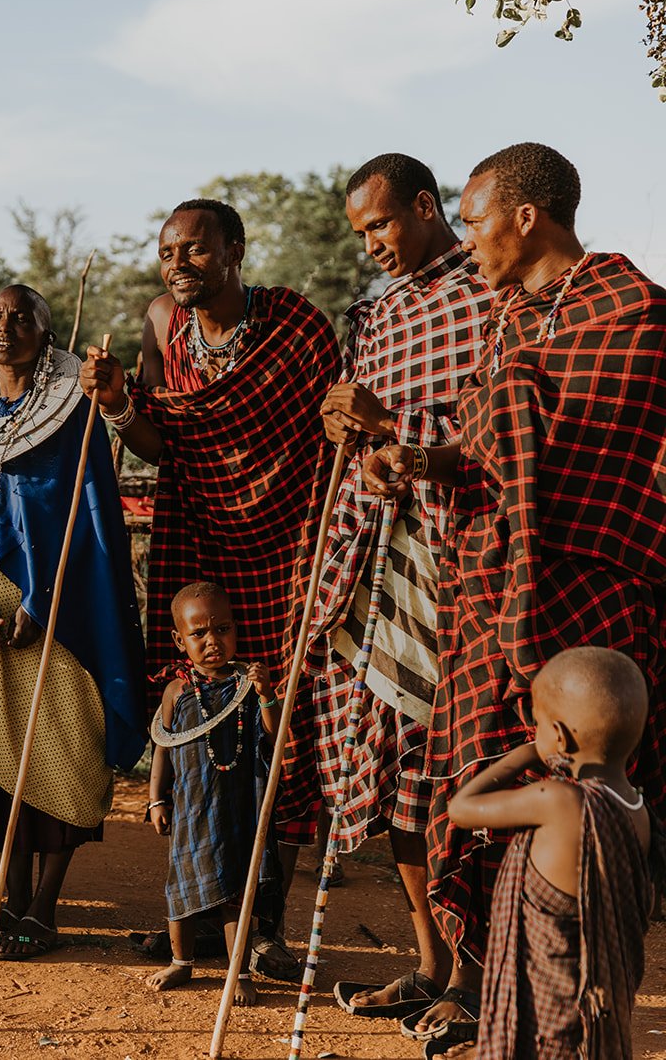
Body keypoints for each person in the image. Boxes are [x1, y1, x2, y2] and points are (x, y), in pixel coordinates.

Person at [363, 142, 666, 1047]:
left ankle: (578, 999)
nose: (468, 234)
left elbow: (622, 463)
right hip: (492, 591)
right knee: (494, 781)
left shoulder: (635, 315)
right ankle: (494, 987)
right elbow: (487, 453)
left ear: (526, 216)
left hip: (595, 588)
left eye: (473, 215)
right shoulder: (504, 323)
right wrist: (410, 456)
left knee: (591, 794)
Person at [81, 198, 340, 977]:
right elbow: (163, 444)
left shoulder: (296, 324)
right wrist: (119, 403)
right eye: (167, 253)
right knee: (201, 731)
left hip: (287, 545)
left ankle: (266, 924)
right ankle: (199, 910)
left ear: (236, 250)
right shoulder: (163, 324)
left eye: (194, 251)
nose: (178, 265)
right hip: (200, 539)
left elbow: (328, 432)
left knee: (281, 733)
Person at [267, 154, 496, 1021]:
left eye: (383, 225)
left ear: (429, 208)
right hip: (376, 557)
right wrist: (344, 423)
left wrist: (393, 425)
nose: (372, 245)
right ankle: (433, 964)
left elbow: (496, 429)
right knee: (402, 761)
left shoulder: (489, 295)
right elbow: (356, 430)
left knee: (462, 764)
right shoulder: (372, 317)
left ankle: (478, 978)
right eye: (361, 233)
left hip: (459, 558)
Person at [0, 285, 144, 958]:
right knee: (4, 765)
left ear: (47, 336)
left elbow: (86, 524)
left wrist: (38, 600)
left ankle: (44, 909)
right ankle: (8, 901)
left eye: (22, 316)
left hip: (59, 617)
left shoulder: (71, 416)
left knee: (63, 752)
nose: (6, 325)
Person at [444, 647, 662, 1060]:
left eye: (538, 723)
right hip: (591, 1014)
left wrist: (526, 752)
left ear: (559, 736)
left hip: (543, 1023)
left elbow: (462, 808)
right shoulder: (638, 810)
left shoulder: (558, 801)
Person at [145, 582, 278, 1007]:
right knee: (181, 886)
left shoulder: (247, 686)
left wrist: (267, 695)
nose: (212, 641)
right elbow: (162, 746)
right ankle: (181, 962)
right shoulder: (177, 691)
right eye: (198, 633)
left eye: (222, 629)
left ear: (236, 630)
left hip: (238, 804)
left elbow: (274, 740)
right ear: (179, 640)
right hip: (190, 805)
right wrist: (156, 799)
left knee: (234, 892)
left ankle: (237, 970)